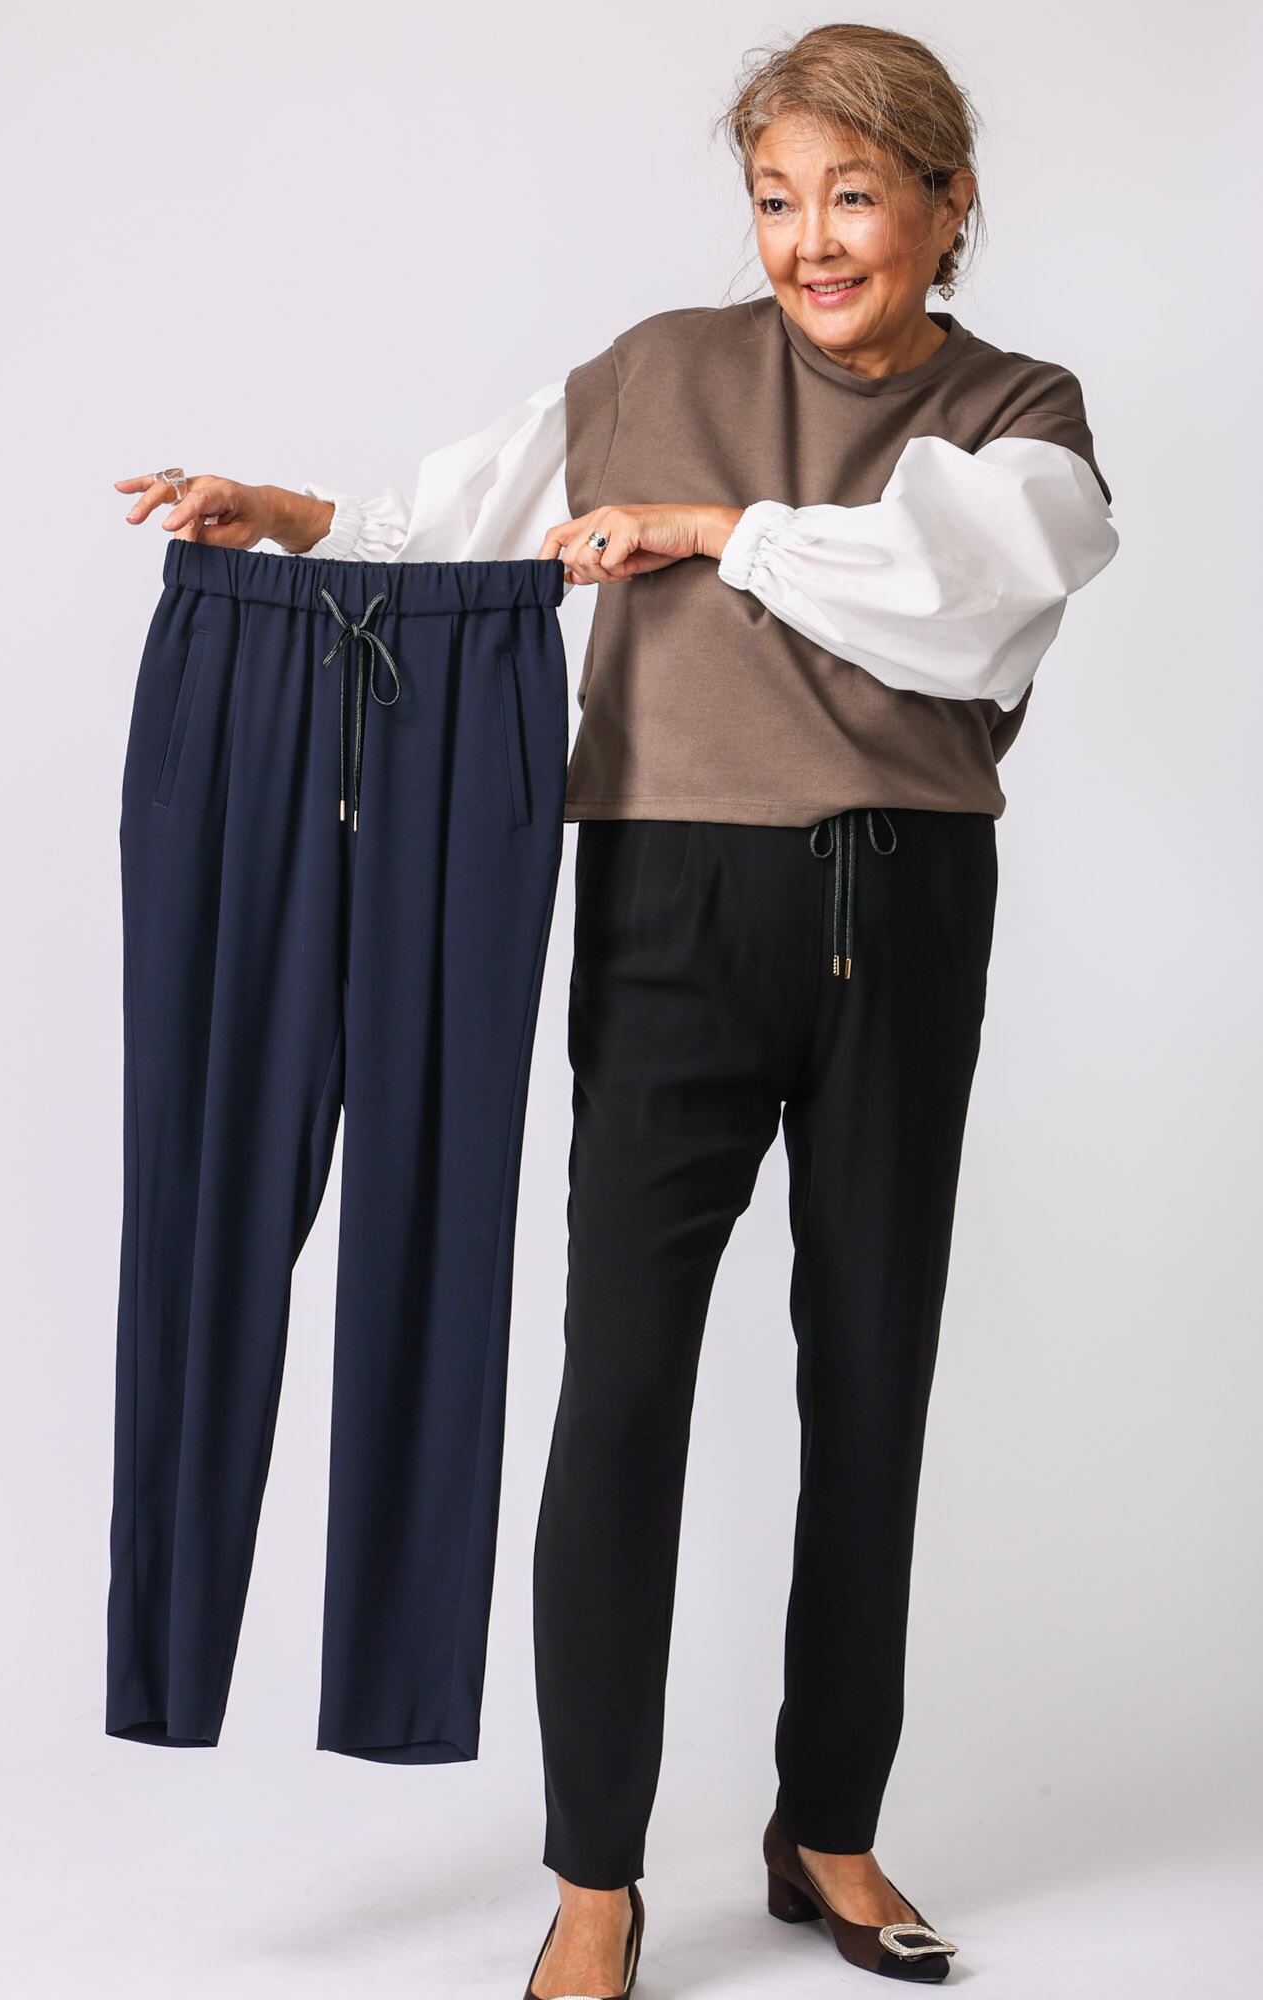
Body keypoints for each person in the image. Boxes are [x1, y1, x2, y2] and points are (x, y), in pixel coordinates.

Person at [115, 23, 1118, 1994]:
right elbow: (452, 520)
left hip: (908, 913)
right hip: (668, 911)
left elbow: (973, 593)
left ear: (946, 205)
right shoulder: (655, 371)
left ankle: (830, 1824)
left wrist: (716, 532)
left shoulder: (1021, 413)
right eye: (776, 199)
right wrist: (286, 516)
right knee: (621, 1390)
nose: (811, 241)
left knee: (873, 1382)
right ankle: (594, 1876)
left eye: (853, 196)